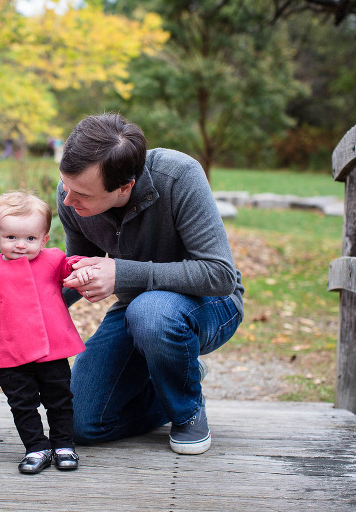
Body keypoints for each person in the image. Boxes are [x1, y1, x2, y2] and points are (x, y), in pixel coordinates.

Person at [57, 113, 244, 455]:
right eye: (66, 186)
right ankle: (177, 376)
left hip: (211, 303)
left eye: (81, 193)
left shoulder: (178, 175)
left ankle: (187, 412)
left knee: (152, 311)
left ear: (125, 187)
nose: (68, 201)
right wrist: (19, 296)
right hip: (137, 310)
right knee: (79, 423)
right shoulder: (72, 196)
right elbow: (76, 271)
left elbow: (219, 274)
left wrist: (121, 273)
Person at [0, 191, 90, 474]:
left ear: (44, 239)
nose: (20, 245)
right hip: (11, 350)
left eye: (30, 239)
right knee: (22, 402)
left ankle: (63, 444)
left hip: (52, 346)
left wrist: (82, 270)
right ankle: (36, 446)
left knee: (60, 397)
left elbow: (70, 266)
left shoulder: (52, 260)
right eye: (11, 237)